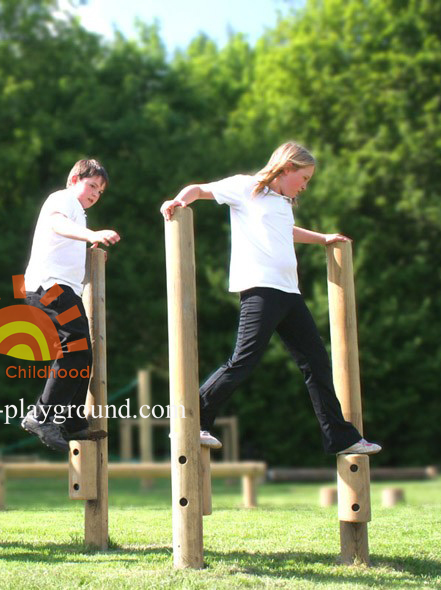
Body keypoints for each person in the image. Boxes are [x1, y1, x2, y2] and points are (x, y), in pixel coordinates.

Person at [160, 141, 381, 456]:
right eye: (304, 179)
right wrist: (176, 201)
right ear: (287, 168)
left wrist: (323, 239)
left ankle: (341, 438)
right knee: (243, 360)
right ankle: (191, 420)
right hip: (260, 290)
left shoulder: (282, 202)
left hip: (289, 293)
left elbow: (287, 231)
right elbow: (198, 189)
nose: (305, 186)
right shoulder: (246, 188)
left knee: (317, 363)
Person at [20, 159, 121, 451]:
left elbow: (62, 240)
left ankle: (72, 422)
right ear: (74, 179)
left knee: (83, 353)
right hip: (49, 286)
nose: (95, 194)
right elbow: (55, 223)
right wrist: (92, 235)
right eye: (92, 186)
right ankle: (41, 416)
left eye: (100, 191)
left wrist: (89, 251)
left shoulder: (78, 214)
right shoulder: (63, 199)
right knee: (74, 346)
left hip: (61, 288)